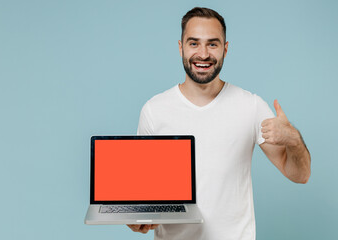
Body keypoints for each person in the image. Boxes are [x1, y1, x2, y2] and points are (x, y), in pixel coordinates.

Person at [127, 7, 311, 240]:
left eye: (212, 44)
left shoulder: (251, 106)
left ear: (225, 49)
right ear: (180, 47)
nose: (203, 54)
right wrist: (136, 219)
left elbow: (300, 175)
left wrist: (293, 139)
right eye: (194, 43)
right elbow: (142, 192)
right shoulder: (154, 110)